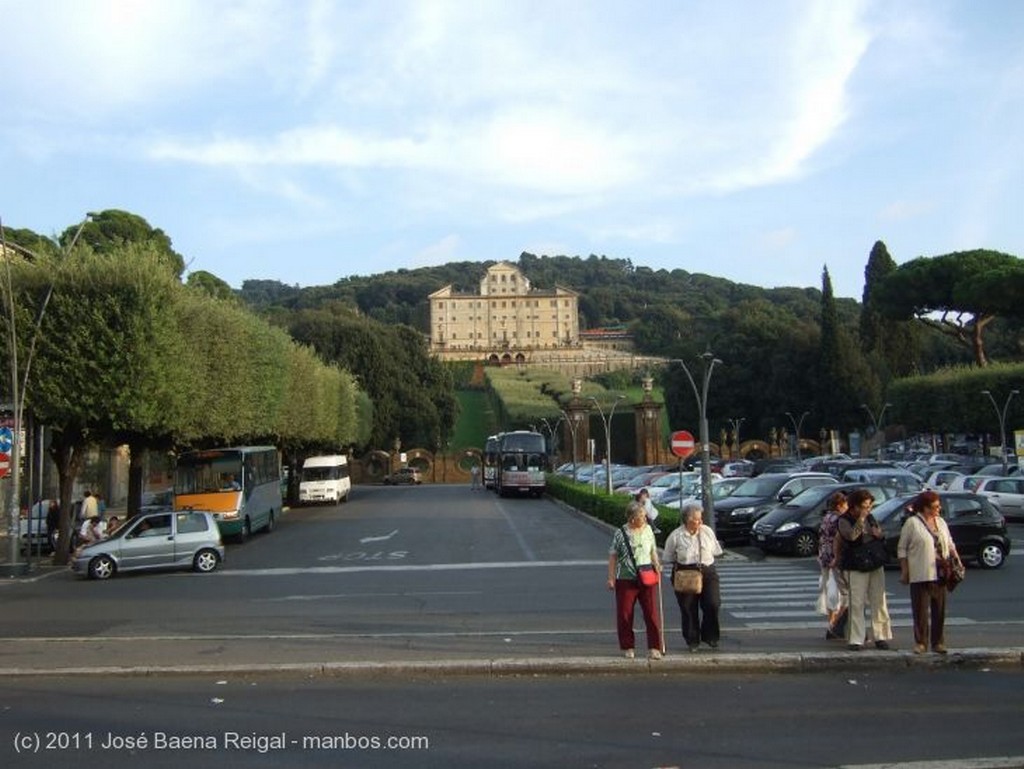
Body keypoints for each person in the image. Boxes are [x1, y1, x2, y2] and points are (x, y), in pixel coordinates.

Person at [898, 490, 961, 654]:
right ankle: (921, 642)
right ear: (925, 508)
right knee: (920, 610)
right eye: (935, 507)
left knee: (939, 609)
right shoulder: (912, 523)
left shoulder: (940, 522)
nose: (938, 510)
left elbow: (950, 543)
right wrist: (905, 571)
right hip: (920, 571)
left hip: (941, 572)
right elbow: (902, 548)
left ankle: (938, 642)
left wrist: (957, 560)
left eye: (939, 506)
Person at [663, 501, 724, 652]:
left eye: (700, 518)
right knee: (688, 608)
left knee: (713, 604)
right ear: (687, 520)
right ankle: (692, 640)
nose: (700, 522)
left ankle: (710, 636)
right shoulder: (676, 536)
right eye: (696, 519)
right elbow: (668, 556)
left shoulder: (707, 531)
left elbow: (717, 551)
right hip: (685, 573)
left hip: (707, 571)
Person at [838, 488, 894, 651]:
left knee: (879, 600)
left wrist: (878, 533)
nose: (867, 510)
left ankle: (881, 636)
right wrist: (861, 520)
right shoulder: (844, 520)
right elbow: (851, 536)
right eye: (864, 506)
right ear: (854, 506)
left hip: (874, 562)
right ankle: (856, 638)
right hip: (855, 565)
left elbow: (878, 533)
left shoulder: (871, 517)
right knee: (856, 602)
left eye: (869, 506)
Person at [607, 500, 663, 659]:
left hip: (646, 576)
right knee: (625, 613)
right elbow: (613, 556)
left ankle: (654, 647)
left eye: (645, 516)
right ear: (632, 518)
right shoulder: (621, 533)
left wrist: (657, 564)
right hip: (625, 577)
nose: (644, 519)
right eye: (641, 517)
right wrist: (611, 578)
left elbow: (652, 550)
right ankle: (628, 646)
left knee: (651, 613)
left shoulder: (648, 531)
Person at [817, 491, 849, 640]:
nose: (847, 507)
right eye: (846, 504)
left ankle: (831, 622)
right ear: (839, 505)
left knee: (830, 591)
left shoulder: (826, 517)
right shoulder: (838, 519)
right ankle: (834, 626)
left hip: (824, 556)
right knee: (840, 593)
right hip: (835, 558)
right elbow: (841, 538)